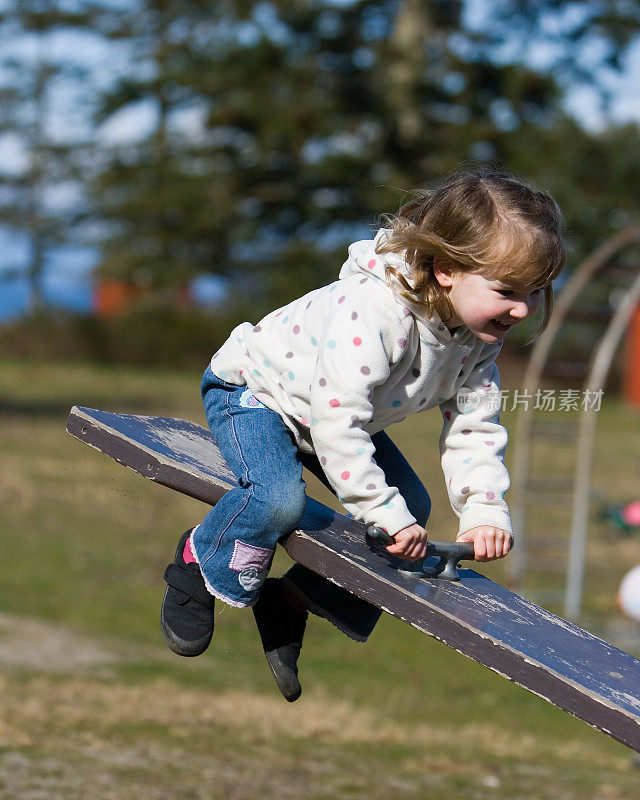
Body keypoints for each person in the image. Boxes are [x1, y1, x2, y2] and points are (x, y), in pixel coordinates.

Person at [160, 168, 566, 702]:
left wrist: (485, 510)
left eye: (535, 292)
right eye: (507, 291)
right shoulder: (377, 313)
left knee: (410, 508)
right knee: (279, 500)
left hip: (335, 417)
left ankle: (290, 602)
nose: (523, 309)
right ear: (446, 270)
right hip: (257, 394)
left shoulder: (478, 340)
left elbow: (474, 427)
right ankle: (195, 562)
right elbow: (336, 422)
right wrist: (382, 510)